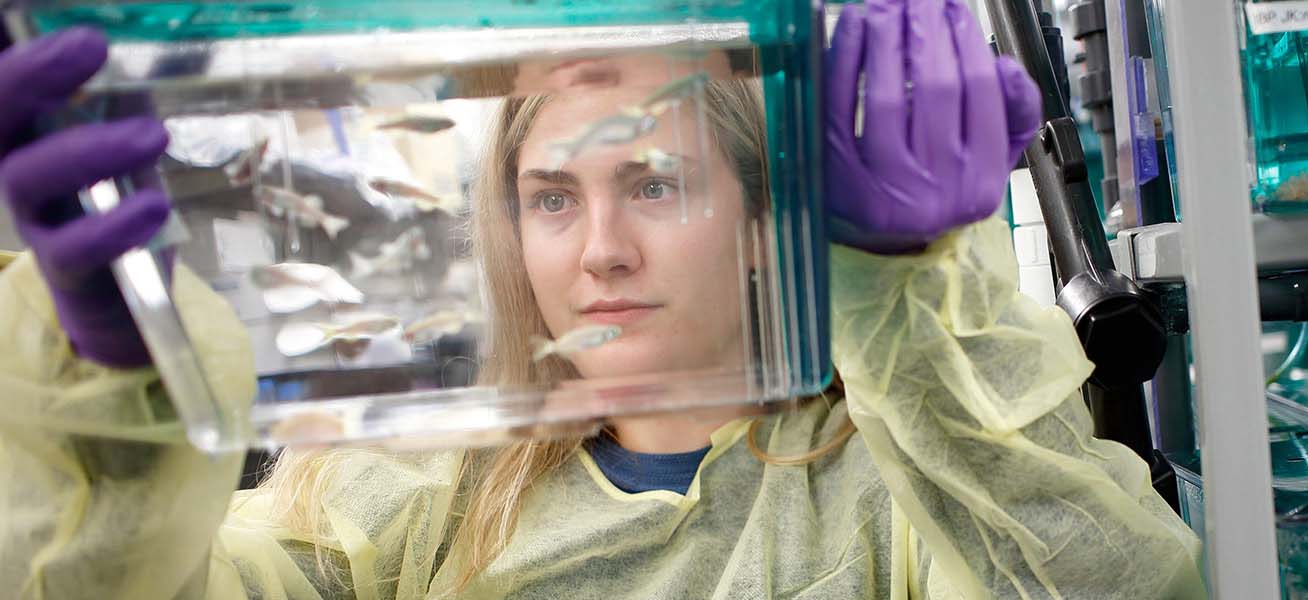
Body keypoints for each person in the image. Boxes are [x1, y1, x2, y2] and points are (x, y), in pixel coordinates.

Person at [0, 0, 1205, 598]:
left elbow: (1111, 582)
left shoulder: (899, 487)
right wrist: (112, 401)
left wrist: (909, 298)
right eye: (553, 197)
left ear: (755, 220)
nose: (604, 251)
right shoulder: (408, 488)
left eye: (656, 182)